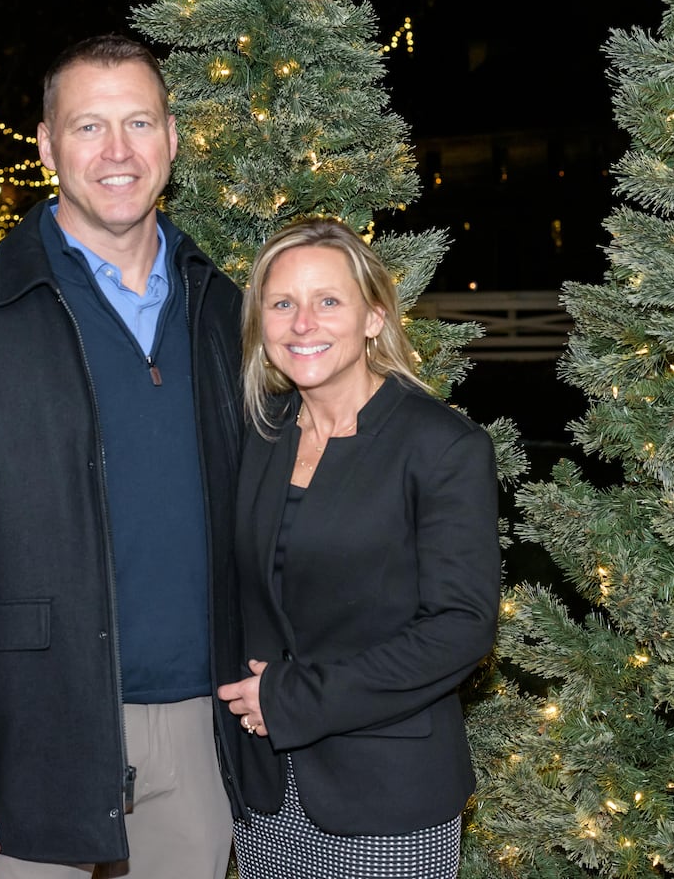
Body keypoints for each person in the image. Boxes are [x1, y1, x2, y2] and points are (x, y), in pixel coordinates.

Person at [0, 33, 246, 879]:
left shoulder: (229, 312)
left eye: (139, 123)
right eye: (88, 127)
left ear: (172, 138)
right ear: (46, 145)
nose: (118, 152)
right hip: (30, 737)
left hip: (202, 732)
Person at [215, 216, 500, 878]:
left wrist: (293, 699)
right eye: (282, 303)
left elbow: (460, 629)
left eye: (328, 301)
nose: (302, 323)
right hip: (266, 799)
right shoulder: (260, 436)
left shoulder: (442, 447)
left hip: (388, 798)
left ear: (373, 317)